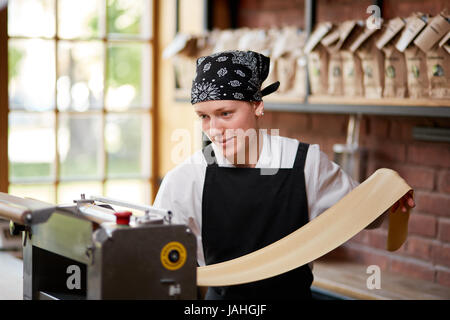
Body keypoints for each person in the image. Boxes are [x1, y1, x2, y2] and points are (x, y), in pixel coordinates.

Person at [153, 50, 415, 300]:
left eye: (225, 114)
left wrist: (388, 199)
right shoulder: (186, 178)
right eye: (204, 117)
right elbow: (159, 258)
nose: (214, 129)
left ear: (257, 106)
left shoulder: (305, 163)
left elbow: (364, 216)